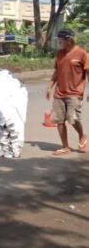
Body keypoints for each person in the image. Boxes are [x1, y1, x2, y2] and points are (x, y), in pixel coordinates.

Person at [46, 28, 89, 156]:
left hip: (75, 92)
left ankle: (82, 135)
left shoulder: (82, 54)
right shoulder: (59, 54)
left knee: (73, 119)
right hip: (60, 92)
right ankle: (65, 147)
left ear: (69, 40)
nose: (59, 42)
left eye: (61, 40)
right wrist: (50, 86)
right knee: (59, 121)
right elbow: (57, 71)